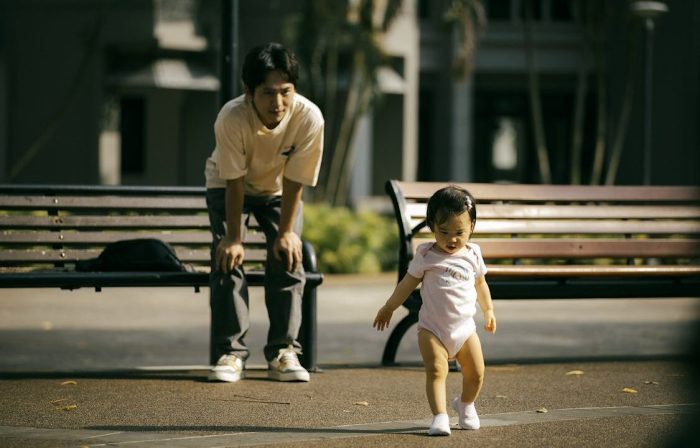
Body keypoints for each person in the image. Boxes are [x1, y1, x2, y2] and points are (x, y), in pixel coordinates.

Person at [204, 42, 324, 383]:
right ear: (248, 91)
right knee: (227, 258)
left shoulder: (309, 117)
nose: (278, 103)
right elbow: (234, 180)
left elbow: (297, 179)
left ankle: (283, 351)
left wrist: (286, 233)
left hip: (278, 190)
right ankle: (230, 352)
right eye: (268, 93)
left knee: (290, 255)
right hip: (229, 185)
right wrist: (233, 238)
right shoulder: (231, 117)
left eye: (285, 92)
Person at [373, 185, 497, 436]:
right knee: (437, 370)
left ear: (472, 226)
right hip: (432, 329)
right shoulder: (426, 255)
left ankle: (465, 404)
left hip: (464, 329)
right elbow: (407, 284)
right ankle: (440, 416)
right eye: (444, 232)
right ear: (431, 226)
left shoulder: (473, 253)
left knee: (477, 373)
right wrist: (389, 306)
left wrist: (489, 310)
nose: (452, 239)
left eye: (459, 232)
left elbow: (481, 284)